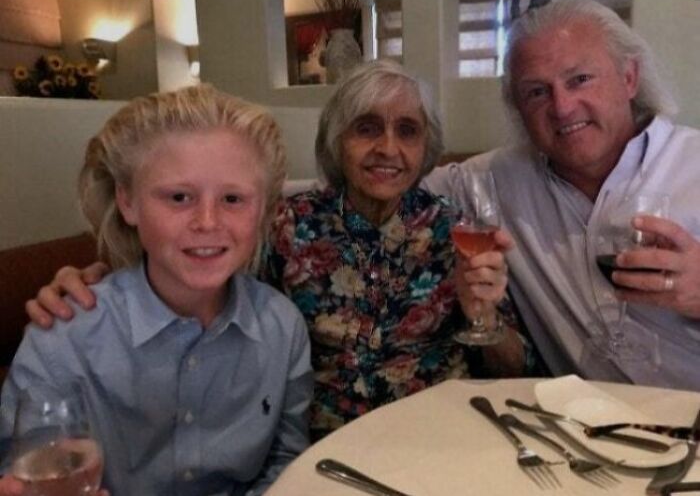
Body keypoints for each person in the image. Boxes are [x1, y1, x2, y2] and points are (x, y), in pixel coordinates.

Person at [23, 61, 529, 442]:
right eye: (367, 127)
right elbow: (192, 265)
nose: (388, 148)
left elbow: (515, 368)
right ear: (336, 139)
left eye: (408, 131)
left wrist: (483, 314)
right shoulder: (285, 223)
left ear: (427, 148)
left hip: (442, 431)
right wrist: (98, 278)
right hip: (323, 448)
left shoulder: (454, 230)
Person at [1, 85, 313, 495]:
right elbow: (25, 471)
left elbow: (285, 462)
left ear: (264, 211)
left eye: (233, 198)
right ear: (128, 202)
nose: (207, 221)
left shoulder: (282, 328)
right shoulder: (65, 339)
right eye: (179, 197)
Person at [423, 0, 700, 390]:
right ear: (518, 109)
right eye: (537, 92)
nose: (563, 107)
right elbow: (389, 181)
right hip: (583, 432)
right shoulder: (496, 182)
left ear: (629, 78)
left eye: (580, 79)